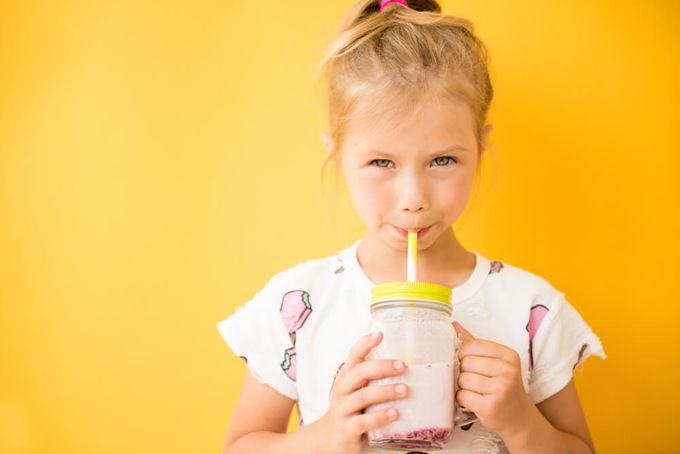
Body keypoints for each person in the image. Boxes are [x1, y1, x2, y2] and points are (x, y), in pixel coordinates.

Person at [217, 1, 605, 452]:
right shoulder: (300, 303)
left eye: (443, 160)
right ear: (337, 154)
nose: (414, 199)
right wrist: (327, 435)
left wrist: (521, 423)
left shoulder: (529, 309)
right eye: (382, 162)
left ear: (480, 146)